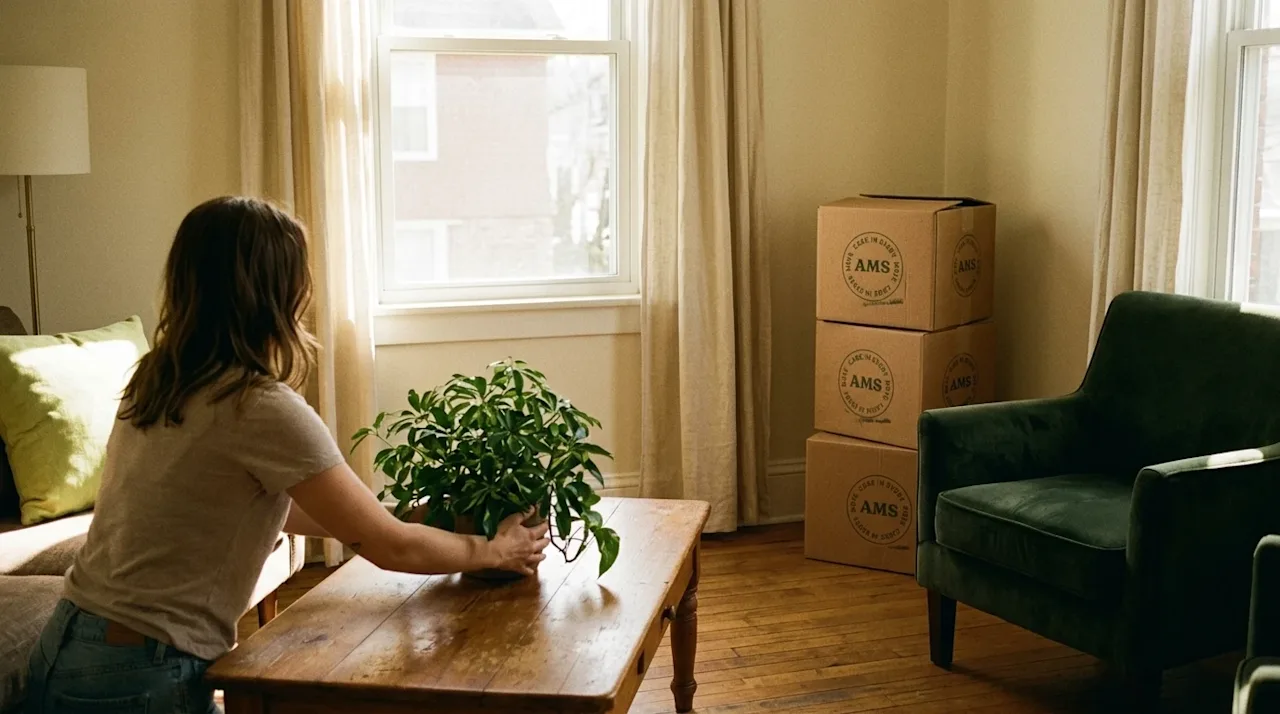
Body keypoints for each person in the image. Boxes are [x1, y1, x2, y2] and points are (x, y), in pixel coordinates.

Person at [24, 196, 551, 714]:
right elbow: (393, 550)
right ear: (276, 293)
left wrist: (381, 520)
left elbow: (241, 501)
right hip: (141, 671)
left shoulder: (158, 378)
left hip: (71, 643)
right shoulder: (255, 405)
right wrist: (494, 552)